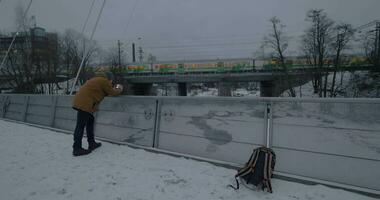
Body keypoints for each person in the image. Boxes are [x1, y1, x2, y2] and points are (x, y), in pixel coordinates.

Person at [72, 71, 123, 156]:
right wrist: (120, 88)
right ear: (109, 78)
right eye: (111, 80)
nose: (110, 82)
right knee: (80, 126)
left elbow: (101, 92)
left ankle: (91, 143)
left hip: (81, 102)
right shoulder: (103, 81)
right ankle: (77, 148)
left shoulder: (95, 80)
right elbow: (113, 92)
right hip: (85, 104)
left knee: (90, 121)